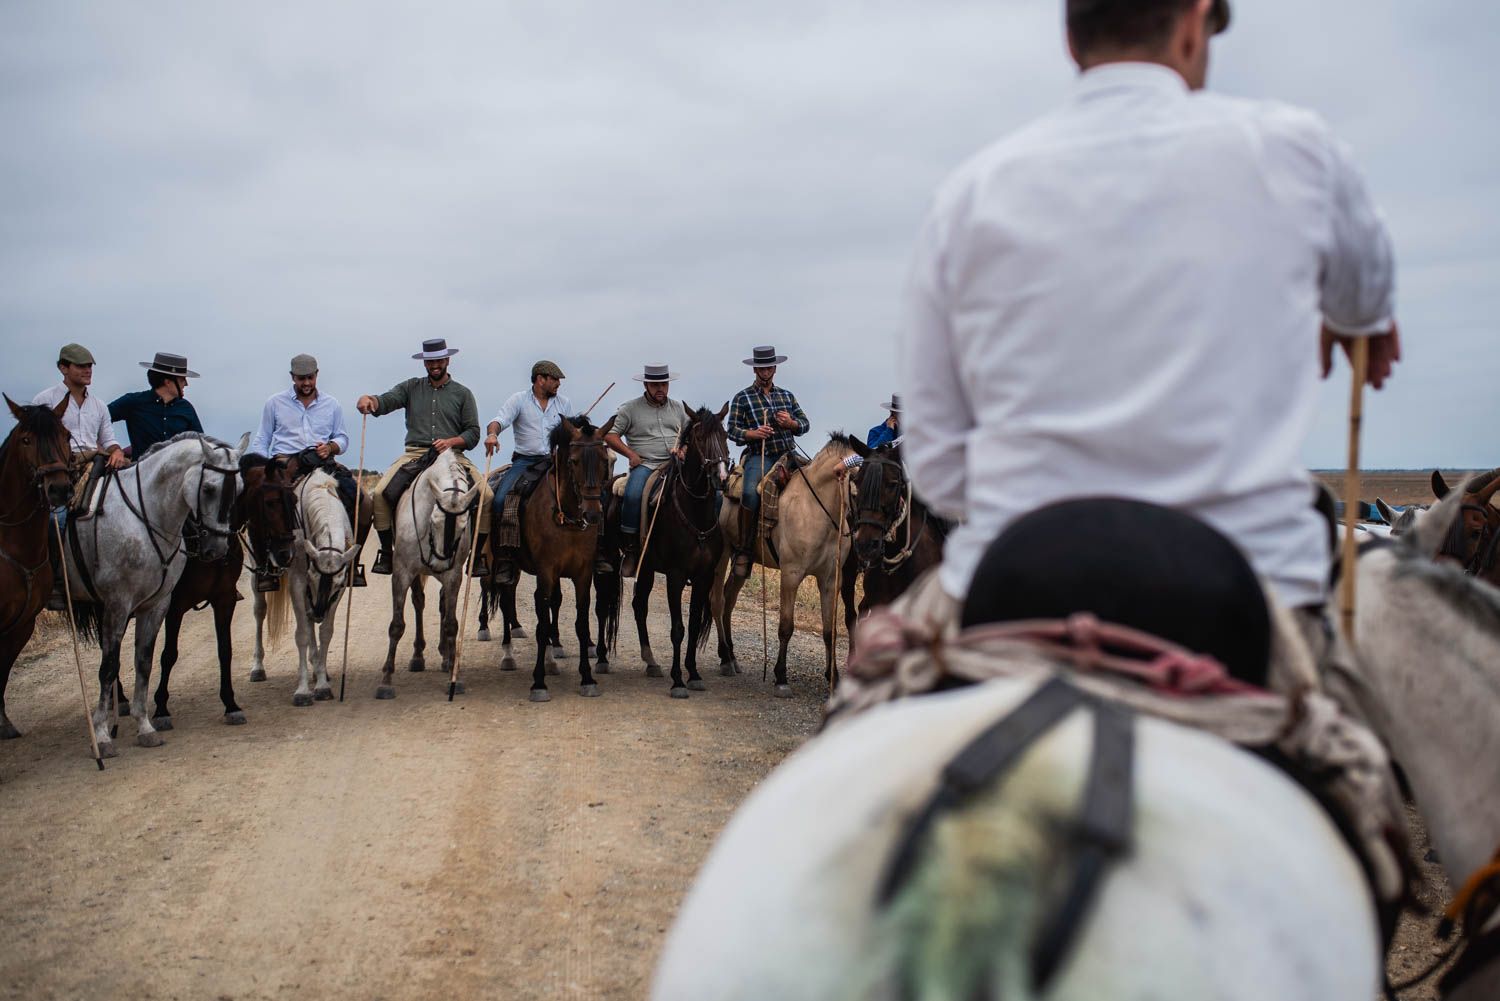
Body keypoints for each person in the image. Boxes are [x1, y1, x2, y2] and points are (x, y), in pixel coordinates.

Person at [899, 0, 1400, 644]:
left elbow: (937, 469)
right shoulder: (1298, 149)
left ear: (1070, 38)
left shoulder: (967, 195)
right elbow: (1366, 305)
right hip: (1252, 594)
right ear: (1193, 25)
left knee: (870, 695)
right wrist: (1355, 318)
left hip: (1013, 594)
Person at [356, 338, 490, 577]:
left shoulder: (463, 394)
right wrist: (371, 401)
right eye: (430, 361)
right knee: (378, 494)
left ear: (447, 360)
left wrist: (451, 441)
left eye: (439, 360)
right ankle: (387, 553)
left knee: (487, 496)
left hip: (452, 456)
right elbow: (387, 401)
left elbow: (473, 433)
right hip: (415, 453)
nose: (435, 365)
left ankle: (476, 557)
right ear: (425, 363)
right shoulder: (411, 387)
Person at [249, 353, 366, 588]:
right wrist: (262, 467)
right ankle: (266, 567)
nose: (306, 383)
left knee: (363, 500)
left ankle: (352, 563)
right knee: (262, 503)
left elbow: (342, 437)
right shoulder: (275, 403)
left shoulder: (331, 404)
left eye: (310, 378)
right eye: (301, 378)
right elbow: (262, 438)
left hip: (322, 463)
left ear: (317, 375)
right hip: (285, 464)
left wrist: (331, 447)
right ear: (292, 377)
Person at [32, 343, 129, 609]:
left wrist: (117, 451)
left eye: (90, 366)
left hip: (94, 465)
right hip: (61, 469)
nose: (88, 371)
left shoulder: (98, 406)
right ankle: (54, 580)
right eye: (81, 366)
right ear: (64, 368)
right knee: (58, 517)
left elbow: (108, 439)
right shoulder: (45, 400)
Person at [483, 360, 576, 586]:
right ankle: (505, 558)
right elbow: (498, 420)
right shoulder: (518, 400)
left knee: (590, 494)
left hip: (555, 461)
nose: (558, 385)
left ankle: (596, 550)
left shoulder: (564, 403)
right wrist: (493, 435)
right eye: (554, 380)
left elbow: (574, 431)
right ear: (540, 379)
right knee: (501, 500)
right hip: (525, 462)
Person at [725, 345, 810, 578]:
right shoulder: (742, 397)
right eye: (761, 368)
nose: (765, 371)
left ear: (774, 368)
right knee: (751, 493)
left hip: (789, 454)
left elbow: (805, 424)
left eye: (769, 367)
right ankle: (744, 550)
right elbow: (731, 430)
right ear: (755, 370)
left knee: (816, 486)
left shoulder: (786, 395)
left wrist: (791, 423)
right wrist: (752, 434)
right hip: (759, 455)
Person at [603, 363, 689, 578]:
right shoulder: (629, 409)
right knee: (632, 494)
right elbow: (610, 435)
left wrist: (683, 449)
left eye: (664, 383)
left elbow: (690, 435)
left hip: (675, 464)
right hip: (646, 464)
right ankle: (631, 550)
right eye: (655, 384)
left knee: (705, 490)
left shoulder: (679, 408)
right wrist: (631, 455)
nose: (661, 388)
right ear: (646, 384)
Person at [108, 352, 205, 456]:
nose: (186, 384)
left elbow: (201, 445)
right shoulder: (133, 402)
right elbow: (99, 419)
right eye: (182, 379)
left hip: (177, 471)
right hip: (141, 470)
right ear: (168, 382)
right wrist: (114, 448)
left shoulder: (186, 408)